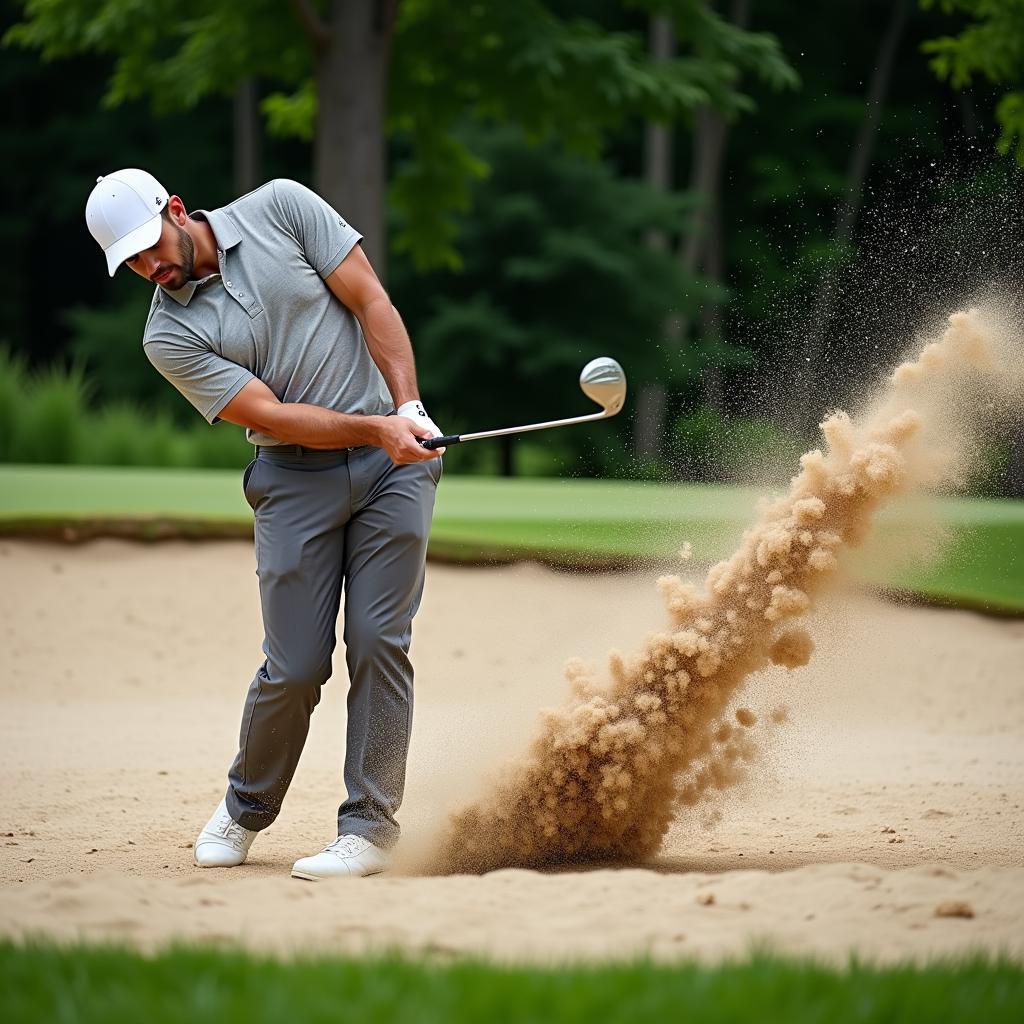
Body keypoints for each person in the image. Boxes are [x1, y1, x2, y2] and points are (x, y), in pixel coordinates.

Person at [85, 168, 444, 881]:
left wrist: (405, 409)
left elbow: (370, 297)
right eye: (129, 262)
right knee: (296, 665)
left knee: (379, 641)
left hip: (393, 471)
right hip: (292, 478)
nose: (147, 267)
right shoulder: (168, 335)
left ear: (177, 211)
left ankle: (368, 829)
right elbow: (273, 416)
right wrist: (375, 429)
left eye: (150, 246)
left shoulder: (282, 207)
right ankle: (246, 808)